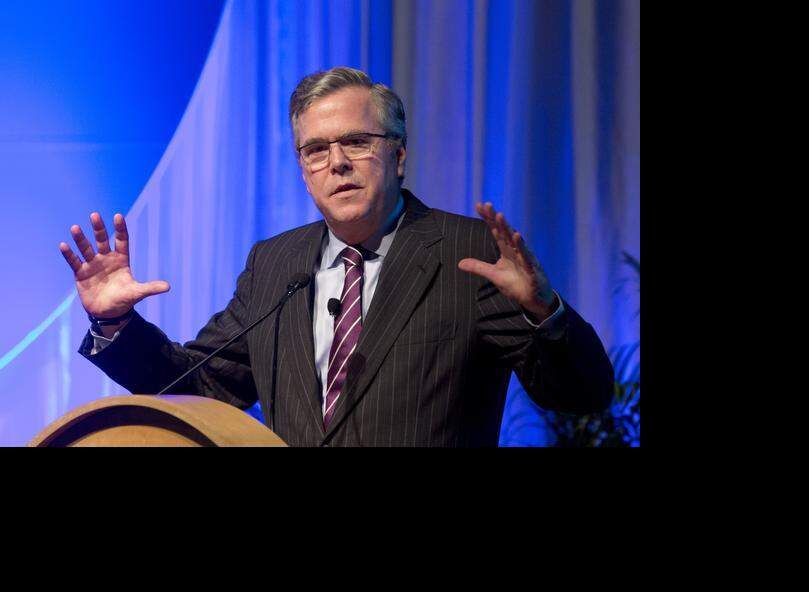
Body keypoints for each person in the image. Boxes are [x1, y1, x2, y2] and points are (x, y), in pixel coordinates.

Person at [57, 66, 613, 446]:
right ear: (303, 168)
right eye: (316, 150)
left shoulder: (469, 253)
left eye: (357, 142)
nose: (337, 163)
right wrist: (115, 322)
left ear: (397, 156)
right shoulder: (275, 263)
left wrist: (547, 313)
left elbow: (582, 395)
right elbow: (201, 389)